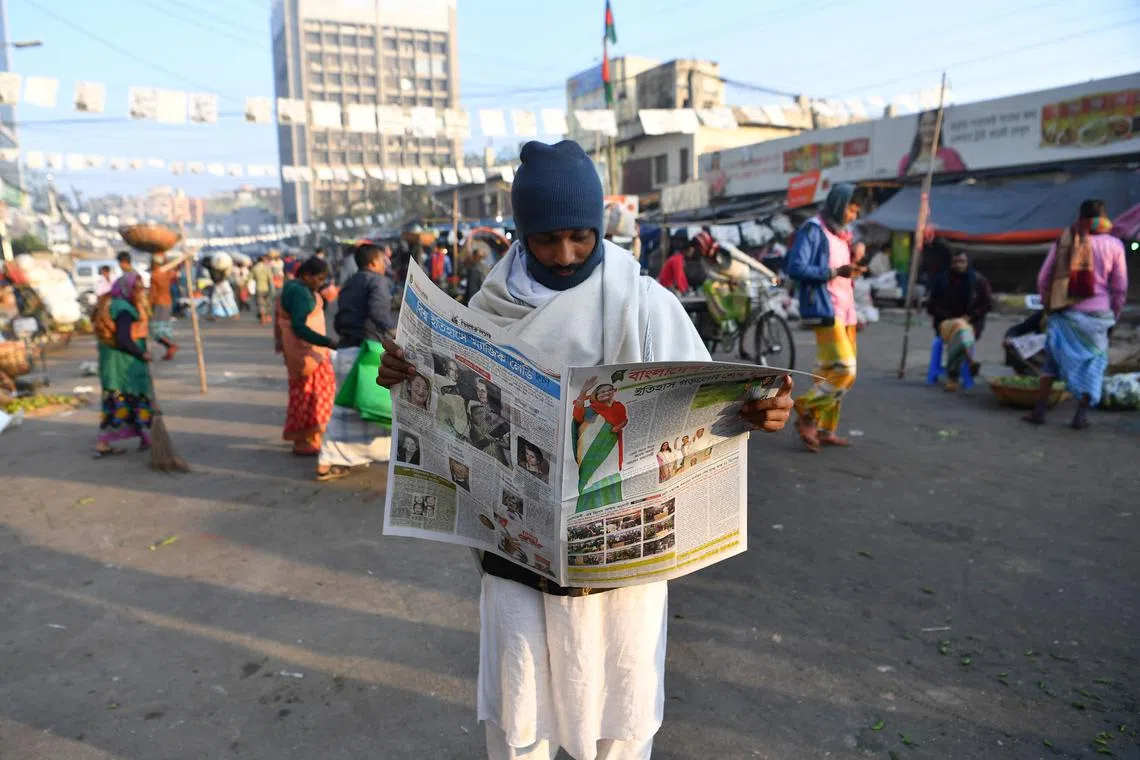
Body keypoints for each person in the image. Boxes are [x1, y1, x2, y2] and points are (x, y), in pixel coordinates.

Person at [376, 139, 793, 760]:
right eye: (547, 240)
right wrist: (408, 382)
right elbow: (449, 426)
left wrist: (760, 411)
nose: (566, 256)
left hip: (622, 573)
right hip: (518, 567)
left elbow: (712, 403)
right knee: (522, 723)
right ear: (520, 233)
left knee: (619, 724)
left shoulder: (647, 306)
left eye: (581, 236)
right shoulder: (481, 313)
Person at [1026, 198, 1128, 429]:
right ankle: (1080, 415)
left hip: (1065, 313)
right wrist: (1115, 315)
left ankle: (1039, 411)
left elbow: (1043, 278)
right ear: (1104, 217)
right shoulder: (1114, 245)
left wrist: (1048, 304)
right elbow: (1120, 287)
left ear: (1080, 217)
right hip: (1099, 316)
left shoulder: (1066, 240)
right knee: (1094, 364)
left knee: (1051, 363)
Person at [787, 183, 867, 452]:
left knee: (829, 373)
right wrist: (834, 273)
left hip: (847, 312)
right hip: (826, 309)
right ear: (838, 204)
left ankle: (824, 429)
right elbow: (796, 267)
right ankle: (805, 409)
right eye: (851, 209)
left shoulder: (842, 234)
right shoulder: (813, 229)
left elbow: (841, 271)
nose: (853, 215)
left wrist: (853, 262)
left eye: (856, 211)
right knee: (844, 370)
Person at [317, 243, 395, 482]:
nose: (386, 264)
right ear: (373, 263)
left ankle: (327, 460)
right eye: (383, 260)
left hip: (345, 351)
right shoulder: (377, 281)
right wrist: (396, 333)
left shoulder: (349, 283)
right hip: (368, 354)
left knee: (344, 411)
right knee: (383, 409)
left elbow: (339, 317)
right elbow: (379, 313)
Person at [275, 256, 338, 456]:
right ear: (305, 275)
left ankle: (307, 438)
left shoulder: (296, 287)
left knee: (302, 394)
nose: (320, 283)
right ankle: (308, 440)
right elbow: (299, 326)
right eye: (318, 279)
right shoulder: (299, 293)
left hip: (301, 352)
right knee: (314, 395)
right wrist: (327, 342)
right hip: (308, 353)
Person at [92, 273, 153, 458]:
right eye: (137, 288)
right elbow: (123, 338)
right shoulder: (123, 309)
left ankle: (146, 438)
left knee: (129, 401)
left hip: (114, 362)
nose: (140, 292)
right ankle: (103, 442)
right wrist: (142, 353)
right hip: (123, 365)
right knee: (123, 401)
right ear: (128, 289)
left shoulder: (112, 303)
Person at [926, 250, 993, 390]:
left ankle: (953, 378)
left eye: (962, 262)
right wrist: (951, 318)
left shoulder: (978, 280)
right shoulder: (942, 280)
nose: (959, 265)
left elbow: (987, 305)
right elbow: (931, 306)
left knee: (961, 330)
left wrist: (970, 316)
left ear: (967, 263)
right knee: (959, 326)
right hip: (945, 323)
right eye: (955, 262)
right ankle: (969, 361)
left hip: (971, 324)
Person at [898, 109, 967, 177]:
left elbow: (965, 181)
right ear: (918, 128)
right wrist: (908, 179)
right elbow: (898, 186)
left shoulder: (950, 155)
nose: (928, 129)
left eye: (933, 124)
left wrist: (945, 173)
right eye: (924, 124)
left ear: (940, 127)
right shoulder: (906, 160)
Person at [149, 251, 186, 361]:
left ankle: (171, 345)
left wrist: (148, 306)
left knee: (156, 330)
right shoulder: (167, 273)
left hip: (159, 304)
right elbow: (174, 273)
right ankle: (169, 349)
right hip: (167, 303)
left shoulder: (155, 275)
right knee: (163, 329)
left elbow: (153, 293)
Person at [251, 256, 274, 324]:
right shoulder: (267, 268)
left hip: (258, 288)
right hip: (267, 288)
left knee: (260, 304)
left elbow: (250, 278)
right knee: (267, 303)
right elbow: (270, 279)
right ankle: (268, 317)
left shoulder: (255, 268)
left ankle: (263, 318)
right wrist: (272, 289)